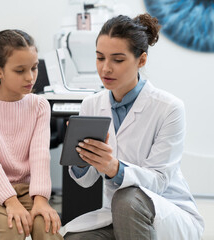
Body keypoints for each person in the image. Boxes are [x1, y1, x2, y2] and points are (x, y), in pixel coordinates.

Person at [62, 14, 205, 240]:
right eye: (100, 58)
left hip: (165, 210)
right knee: (76, 238)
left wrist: (114, 168)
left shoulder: (169, 108)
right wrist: (79, 156)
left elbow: (159, 181)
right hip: (115, 213)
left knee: (127, 199)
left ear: (141, 60)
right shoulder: (91, 104)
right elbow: (86, 181)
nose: (105, 68)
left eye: (117, 60)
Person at [0, 29, 63, 240]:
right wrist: (10, 201)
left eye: (34, 68)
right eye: (20, 71)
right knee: (14, 230)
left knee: (47, 229)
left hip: (27, 188)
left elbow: (40, 156)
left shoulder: (40, 105)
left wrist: (41, 199)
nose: (30, 77)